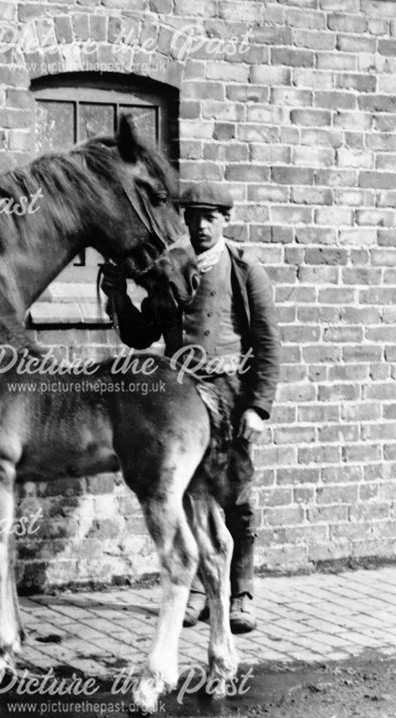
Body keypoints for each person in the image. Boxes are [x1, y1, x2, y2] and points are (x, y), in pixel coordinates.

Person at [100, 182, 280, 634]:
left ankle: (241, 592)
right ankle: (199, 587)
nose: (200, 226)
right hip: (180, 400)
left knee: (235, 496)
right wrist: (119, 294)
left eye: (210, 218)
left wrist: (257, 407)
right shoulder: (171, 269)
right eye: (193, 217)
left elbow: (268, 343)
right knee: (187, 492)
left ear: (225, 221)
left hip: (228, 394)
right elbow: (141, 334)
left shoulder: (243, 268)